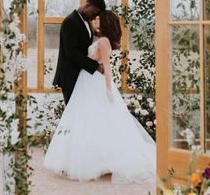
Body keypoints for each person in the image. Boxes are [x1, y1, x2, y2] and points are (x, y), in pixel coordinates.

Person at [44, 9, 155, 183]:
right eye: (95, 19)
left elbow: (107, 68)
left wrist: (108, 89)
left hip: (93, 82)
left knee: (94, 120)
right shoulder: (100, 39)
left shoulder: (103, 41)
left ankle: (97, 162)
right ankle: (96, 160)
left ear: (105, 23)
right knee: (91, 120)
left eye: (98, 20)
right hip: (87, 81)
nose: (95, 22)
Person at [52, 0, 106, 105]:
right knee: (73, 113)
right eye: (94, 13)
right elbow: (72, 53)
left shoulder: (86, 22)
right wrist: (96, 66)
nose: (94, 17)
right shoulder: (70, 22)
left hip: (81, 76)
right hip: (70, 76)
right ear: (87, 5)